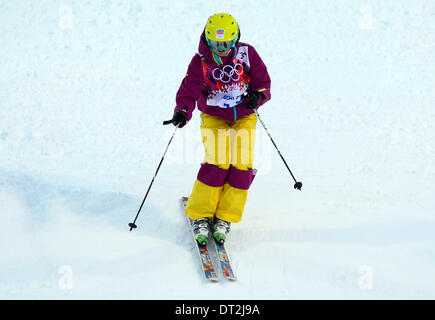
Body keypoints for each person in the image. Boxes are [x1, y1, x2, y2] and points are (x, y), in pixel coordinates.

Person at [166, 13, 271, 246]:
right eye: (215, 43)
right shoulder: (200, 61)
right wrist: (183, 111)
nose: (221, 49)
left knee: (242, 164)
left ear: (236, 39)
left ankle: (225, 217)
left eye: (225, 44)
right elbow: (188, 90)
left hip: (243, 116)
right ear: (207, 38)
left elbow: (264, 83)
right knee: (218, 161)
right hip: (214, 116)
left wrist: (258, 96)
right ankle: (201, 213)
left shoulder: (247, 54)